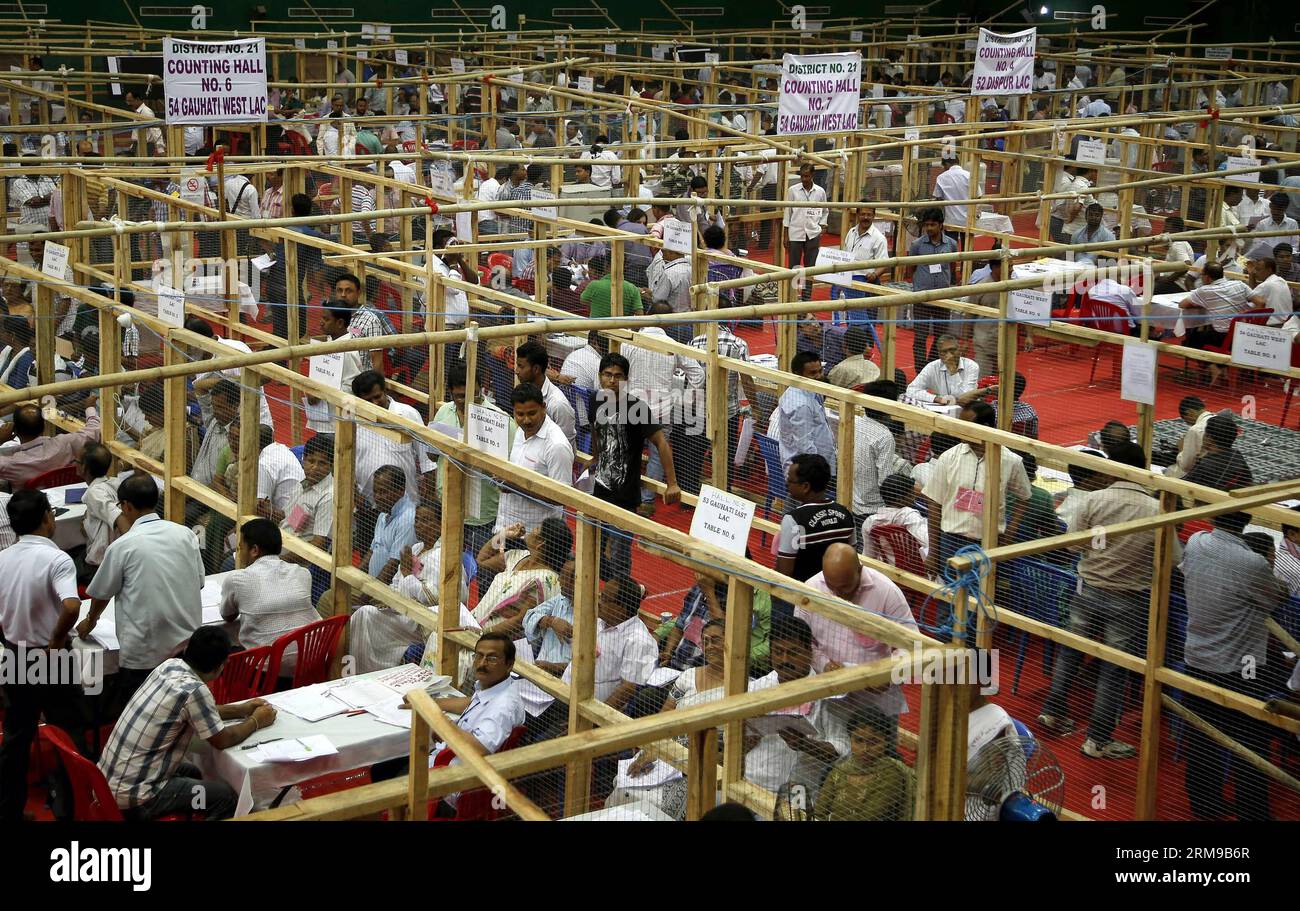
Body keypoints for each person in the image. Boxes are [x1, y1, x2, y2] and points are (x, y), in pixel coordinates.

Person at [1038, 443, 1178, 757]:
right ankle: (1097, 739)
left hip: (1087, 588)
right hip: (1128, 597)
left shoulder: (1094, 500)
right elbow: (1172, 559)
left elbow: (1072, 546)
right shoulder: (1156, 510)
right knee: (1113, 669)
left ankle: (1053, 710)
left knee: (1071, 652)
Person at [97, 626, 276, 820]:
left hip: (107, 783)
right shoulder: (195, 690)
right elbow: (223, 740)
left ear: (188, 649)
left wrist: (240, 710)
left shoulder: (169, 666)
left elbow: (199, 712)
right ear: (222, 665)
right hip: (138, 799)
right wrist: (256, 721)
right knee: (226, 798)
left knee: (193, 771)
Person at [1181, 511, 1288, 820]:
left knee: (1202, 738)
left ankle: (1205, 805)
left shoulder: (1198, 542)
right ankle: (1252, 810)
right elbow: (1276, 595)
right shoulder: (1251, 563)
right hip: (1243, 665)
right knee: (1252, 739)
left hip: (1198, 656)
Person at [0, 490, 87, 821]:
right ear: (48, 517)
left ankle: (8, 811)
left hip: (16, 656)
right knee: (69, 734)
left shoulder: (3, 558)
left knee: (16, 739)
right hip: (51, 658)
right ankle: (71, 809)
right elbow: (71, 605)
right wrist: (55, 640)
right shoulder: (57, 560)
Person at [79, 475, 205, 702]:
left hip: (144, 655)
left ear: (125, 506)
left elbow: (101, 594)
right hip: (188, 648)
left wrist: (90, 620)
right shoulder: (185, 534)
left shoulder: (122, 546)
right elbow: (199, 582)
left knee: (140, 711)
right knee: (183, 708)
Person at [349, 499, 478, 675]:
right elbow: (396, 581)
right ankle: (364, 673)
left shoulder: (444, 556)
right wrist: (389, 599)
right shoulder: (417, 548)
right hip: (401, 611)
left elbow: (436, 599)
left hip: (423, 622)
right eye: (417, 520)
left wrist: (409, 575)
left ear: (440, 524)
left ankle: (374, 673)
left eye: (425, 521)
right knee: (364, 613)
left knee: (365, 615)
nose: (418, 525)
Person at [797, 543, 918, 726]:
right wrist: (824, 664)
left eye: (845, 587)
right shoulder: (811, 588)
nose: (838, 594)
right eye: (832, 587)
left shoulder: (886, 592)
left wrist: (888, 674)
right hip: (829, 696)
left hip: (876, 705)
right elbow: (801, 640)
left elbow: (913, 645)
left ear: (859, 570)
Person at [589, 353, 681, 577]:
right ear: (600, 377)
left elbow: (661, 442)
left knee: (620, 560)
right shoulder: (596, 401)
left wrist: (672, 484)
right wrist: (595, 457)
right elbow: (596, 430)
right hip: (598, 491)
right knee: (592, 553)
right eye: (608, 375)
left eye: (618, 376)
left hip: (625, 497)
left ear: (626, 379)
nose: (612, 380)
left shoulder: (637, 408)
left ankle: (622, 600)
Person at [744, 617, 849, 804]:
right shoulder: (757, 688)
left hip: (797, 796)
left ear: (809, 653)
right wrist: (745, 734)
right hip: (749, 783)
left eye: (793, 653)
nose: (784, 660)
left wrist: (805, 745)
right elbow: (733, 738)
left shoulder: (827, 695)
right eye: (778, 652)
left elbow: (843, 751)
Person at [922, 402, 1032, 577]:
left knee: (982, 599)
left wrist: (1010, 532)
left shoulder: (1011, 461)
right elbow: (934, 504)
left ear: (986, 427)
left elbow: (1024, 497)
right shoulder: (949, 457)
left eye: (967, 425)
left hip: (988, 545)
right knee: (949, 598)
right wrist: (934, 552)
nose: (961, 430)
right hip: (951, 541)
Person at [624, 303, 705, 505]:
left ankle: (627, 489)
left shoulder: (629, 343)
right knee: (657, 454)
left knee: (628, 450)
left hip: (632, 406)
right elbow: (698, 374)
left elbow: (618, 376)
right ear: (667, 323)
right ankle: (647, 500)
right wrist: (686, 399)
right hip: (661, 409)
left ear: (648, 316)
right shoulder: (673, 345)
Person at [219, 518, 319, 675]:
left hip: (265, 672)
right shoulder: (303, 573)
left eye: (240, 548)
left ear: (254, 550)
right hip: (310, 664)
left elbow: (228, 616)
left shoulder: (237, 579)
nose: (238, 553)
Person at [351, 371, 431, 540]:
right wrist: (355, 498)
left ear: (385, 391)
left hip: (406, 509)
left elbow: (427, 462)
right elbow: (344, 461)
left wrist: (428, 504)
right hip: (368, 509)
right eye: (367, 400)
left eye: (377, 397)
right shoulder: (352, 421)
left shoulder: (408, 415)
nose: (375, 403)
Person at [495, 384, 574, 532]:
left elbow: (561, 498)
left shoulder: (557, 445)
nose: (526, 420)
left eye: (532, 413)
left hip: (536, 537)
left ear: (543, 407)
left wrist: (514, 487)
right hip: (505, 525)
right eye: (520, 414)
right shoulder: (520, 430)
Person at [813, 707, 914, 820]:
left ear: (885, 741)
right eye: (859, 741)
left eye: (874, 742)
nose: (865, 749)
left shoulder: (892, 773)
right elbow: (819, 813)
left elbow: (870, 817)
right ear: (850, 740)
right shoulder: (839, 771)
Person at [777, 454, 856, 591]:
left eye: (790, 481)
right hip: (839, 594)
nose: (786, 484)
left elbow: (784, 572)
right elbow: (852, 557)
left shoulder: (793, 520)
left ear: (805, 486)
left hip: (803, 596)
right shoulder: (846, 514)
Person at [474, 517, 571, 628]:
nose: (532, 529)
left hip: (495, 637)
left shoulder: (546, 579)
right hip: (474, 624)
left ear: (540, 543)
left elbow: (521, 622)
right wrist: (503, 535)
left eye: (537, 528)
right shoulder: (519, 556)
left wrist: (484, 634)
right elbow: (482, 561)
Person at [905, 207, 959, 370]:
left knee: (941, 337)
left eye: (933, 225)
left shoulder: (952, 244)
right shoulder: (916, 245)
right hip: (921, 298)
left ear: (941, 225)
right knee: (920, 337)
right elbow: (910, 269)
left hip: (943, 299)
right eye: (927, 225)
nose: (929, 228)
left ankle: (933, 367)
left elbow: (952, 265)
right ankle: (921, 370)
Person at [0, 402, 100, 489]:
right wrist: (90, 407)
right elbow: (95, 430)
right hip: (64, 495)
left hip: (31, 505)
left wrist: (1, 439)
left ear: (15, 431)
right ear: (43, 427)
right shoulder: (65, 443)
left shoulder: (9, 463)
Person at [776, 351, 836, 494]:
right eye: (813, 373)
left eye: (820, 371)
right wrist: (818, 472)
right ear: (798, 373)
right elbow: (804, 445)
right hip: (809, 473)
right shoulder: (801, 404)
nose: (819, 376)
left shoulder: (808, 391)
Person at [77, 442, 130, 582]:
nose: (74, 464)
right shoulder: (115, 483)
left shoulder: (95, 493)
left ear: (84, 468)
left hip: (101, 566)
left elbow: (118, 517)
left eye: (76, 462)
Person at [360, 465, 418, 585]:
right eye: (375, 491)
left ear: (400, 490)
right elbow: (372, 550)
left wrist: (365, 596)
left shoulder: (408, 519)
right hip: (371, 584)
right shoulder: (383, 513)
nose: (377, 497)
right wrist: (354, 578)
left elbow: (394, 565)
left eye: (383, 492)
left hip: (388, 590)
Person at [515, 340, 576, 447]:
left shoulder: (558, 404)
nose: (516, 370)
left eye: (521, 366)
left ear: (536, 369)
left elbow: (566, 446)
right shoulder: (522, 393)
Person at [906, 334, 991, 407]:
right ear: (939, 354)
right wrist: (936, 399)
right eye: (945, 351)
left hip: (966, 410)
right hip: (941, 409)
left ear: (959, 350)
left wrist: (953, 372)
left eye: (953, 350)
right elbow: (911, 390)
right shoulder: (932, 367)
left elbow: (963, 398)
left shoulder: (972, 366)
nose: (950, 355)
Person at [784, 164, 827, 301]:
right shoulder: (792, 190)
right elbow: (787, 212)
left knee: (810, 267)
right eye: (802, 176)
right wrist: (786, 235)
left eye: (807, 176)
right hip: (795, 233)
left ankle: (806, 299)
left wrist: (823, 225)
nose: (804, 179)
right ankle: (793, 297)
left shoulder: (820, 192)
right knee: (794, 267)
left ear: (812, 175)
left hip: (813, 234)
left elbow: (825, 210)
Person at [862, 473, 929, 562]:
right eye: (911, 493)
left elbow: (868, 556)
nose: (914, 496)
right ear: (900, 499)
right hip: (917, 571)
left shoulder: (870, 522)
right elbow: (928, 542)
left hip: (886, 570)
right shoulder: (908, 515)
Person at [1184, 412, 1253, 491]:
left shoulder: (1205, 465)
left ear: (1209, 439)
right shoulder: (1237, 455)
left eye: (1205, 433)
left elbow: (1183, 487)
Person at [579, 255, 641, 321]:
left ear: (606, 265)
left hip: (596, 328)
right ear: (624, 267)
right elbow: (639, 316)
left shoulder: (594, 285)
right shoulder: (633, 289)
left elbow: (583, 301)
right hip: (621, 330)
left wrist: (599, 305)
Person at [933, 154, 972, 239]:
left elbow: (938, 199)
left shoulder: (941, 177)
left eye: (943, 166)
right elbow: (978, 196)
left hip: (950, 219)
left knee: (950, 246)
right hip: (968, 219)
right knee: (968, 246)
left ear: (947, 164)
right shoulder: (969, 175)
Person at [1248, 256, 1293, 326]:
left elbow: (1250, 297)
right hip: (1287, 323)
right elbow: (1256, 292)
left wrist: (1251, 275)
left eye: (1258, 269)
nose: (1255, 272)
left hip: (1272, 324)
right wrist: (1251, 275)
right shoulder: (1281, 281)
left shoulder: (1266, 285)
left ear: (1269, 270)